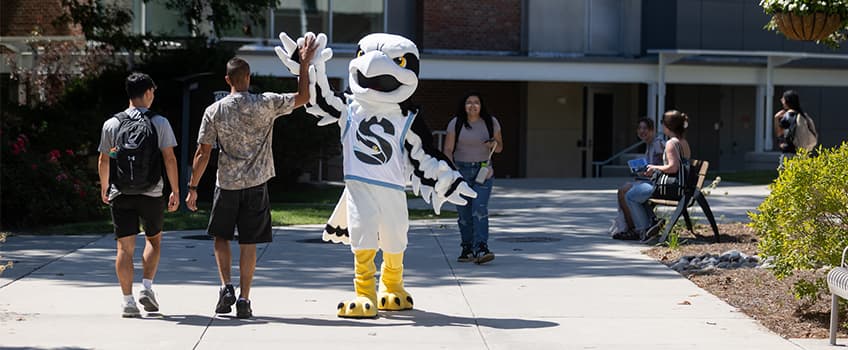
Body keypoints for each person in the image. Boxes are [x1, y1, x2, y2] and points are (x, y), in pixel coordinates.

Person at [185, 39, 316, 319]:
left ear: (227, 79)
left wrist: (192, 186)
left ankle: (226, 287)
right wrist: (304, 64)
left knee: (221, 237)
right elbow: (303, 97)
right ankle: (244, 299)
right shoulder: (266, 103)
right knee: (249, 242)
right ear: (248, 78)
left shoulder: (215, 110)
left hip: (227, 185)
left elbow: (202, 152)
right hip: (257, 185)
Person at [97, 72, 180, 317]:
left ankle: (128, 302)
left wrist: (104, 187)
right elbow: (170, 159)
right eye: (152, 92)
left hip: (120, 192)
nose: (153, 97)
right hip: (152, 192)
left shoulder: (112, 124)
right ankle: (146, 287)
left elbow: (105, 159)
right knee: (153, 240)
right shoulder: (160, 122)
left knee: (124, 248)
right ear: (146, 93)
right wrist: (175, 190)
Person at [443, 92, 503, 264]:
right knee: (464, 212)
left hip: (483, 170)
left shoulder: (491, 122)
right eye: (469, 102)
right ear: (464, 106)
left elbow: (499, 148)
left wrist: (493, 144)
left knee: (479, 208)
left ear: (481, 105)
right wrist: (451, 169)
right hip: (460, 170)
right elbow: (448, 149)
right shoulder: (456, 123)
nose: (472, 105)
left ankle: (481, 247)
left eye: (476, 102)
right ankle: (467, 247)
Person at [623, 110, 691, 242]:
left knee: (630, 196)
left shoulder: (671, 143)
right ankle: (651, 223)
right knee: (637, 192)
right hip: (683, 186)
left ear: (667, 126)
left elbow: (673, 167)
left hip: (671, 187)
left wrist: (654, 167)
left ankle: (644, 230)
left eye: (662, 123)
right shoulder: (683, 142)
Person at [612, 118, 664, 240]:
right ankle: (633, 227)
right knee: (622, 190)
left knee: (624, 192)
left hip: (656, 183)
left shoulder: (657, 144)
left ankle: (634, 229)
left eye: (645, 128)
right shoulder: (649, 145)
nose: (642, 131)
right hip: (649, 180)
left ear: (652, 130)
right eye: (639, 128)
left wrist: (653, 171)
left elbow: (664, 164)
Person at [774, 90, 818, 169]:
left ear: (787, 101)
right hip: (803, 153)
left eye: (783, 99)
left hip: (789, 153)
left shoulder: (788, 115)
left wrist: (776, 118)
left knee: (787, 178)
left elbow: (779, 133)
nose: (781, 100)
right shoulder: (803, 116)